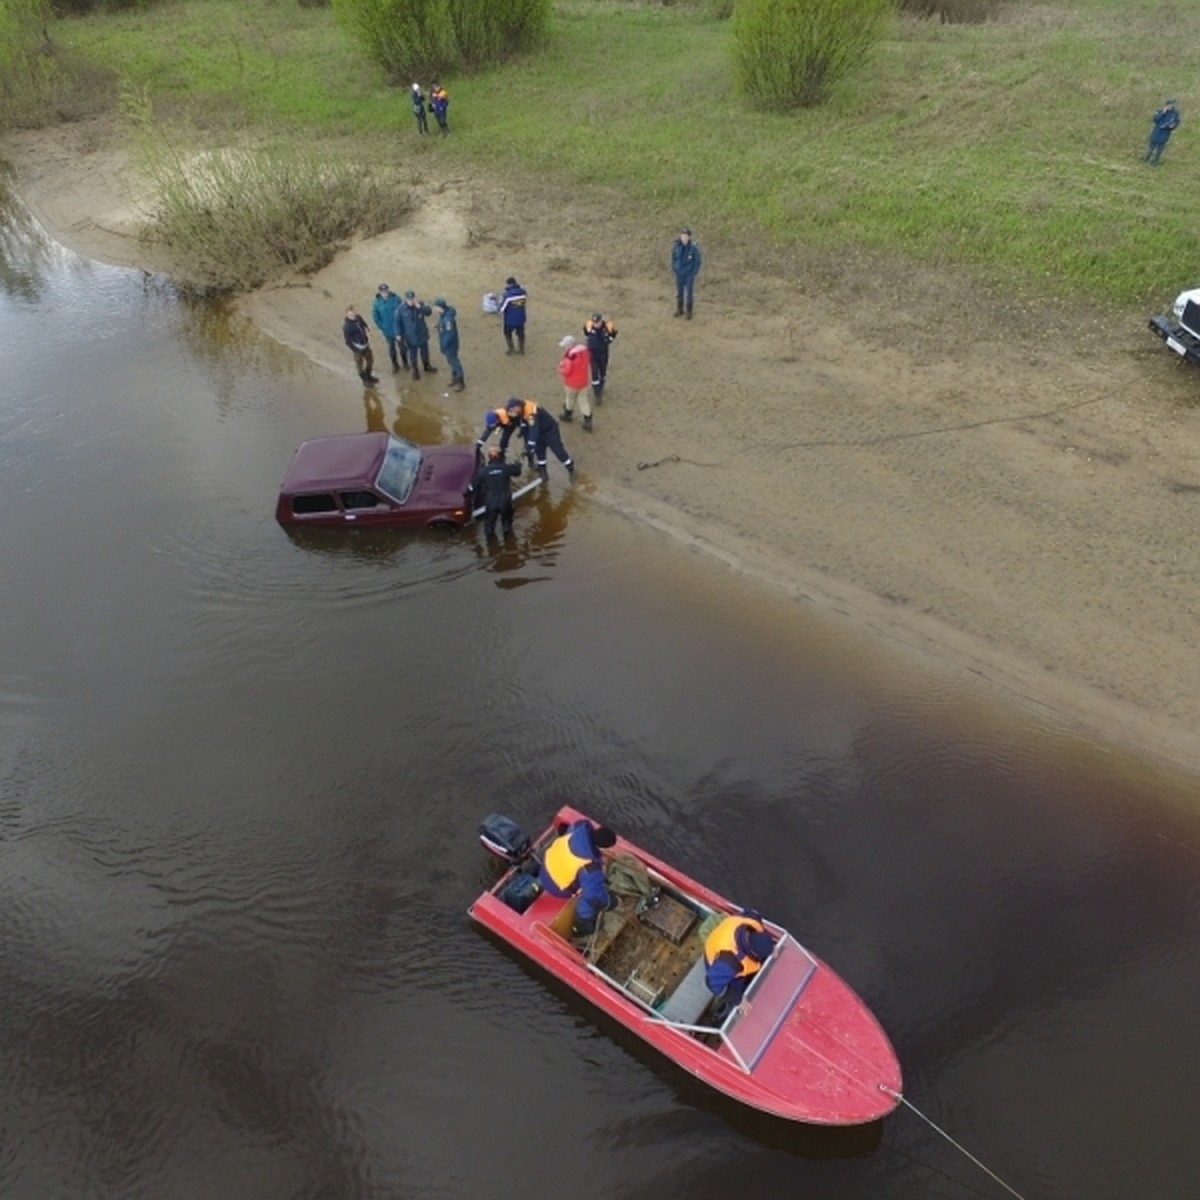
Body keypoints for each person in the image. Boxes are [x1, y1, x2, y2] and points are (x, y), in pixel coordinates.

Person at [538, 819, 618, 937]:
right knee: (587, 898)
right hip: (555, 886)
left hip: (545, 866)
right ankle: (582, 924)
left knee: (590, 883)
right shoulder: (589, 868)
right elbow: (593, 896)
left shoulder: (578, 827)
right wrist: (609, 902)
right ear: (603, 848)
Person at [703, 911, 776, 1012]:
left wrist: (771, 948)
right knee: (736, 985)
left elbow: (751, 913)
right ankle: (728, 1005)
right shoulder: (731, 962)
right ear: (753, 953)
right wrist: (737, 999)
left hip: (726, 932)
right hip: (715, 954)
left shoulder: (752, 922)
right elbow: (711, 983)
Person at [499, 396, 575, 482]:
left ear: (517, 407)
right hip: (539, 433)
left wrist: (530, 445)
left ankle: (570, 468)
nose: (512, 412)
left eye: (512, 409)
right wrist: (523, 432)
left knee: (558, 450)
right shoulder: (520, 411)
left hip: (549, 431)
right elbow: (523, 423)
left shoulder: (531, 412)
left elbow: (533, 428)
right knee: (540, 452)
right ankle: (543, 473)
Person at [467, 446, 522, 539]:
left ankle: (492, 549)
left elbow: (472, 487)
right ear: (500, 456)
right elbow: (517, 472)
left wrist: (466, 494)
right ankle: (509, 547)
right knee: (507, 527)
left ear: (489, 457)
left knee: (489, 529)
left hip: (491, 502)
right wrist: (518, 464)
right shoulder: (505, 468)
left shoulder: (484, 471)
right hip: (505, 501)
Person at [396, 290, 436, 380]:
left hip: (422, 334)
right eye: (409, 299)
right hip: (410, 337)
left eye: (412, 299)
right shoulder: (401, 309)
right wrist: (398, 334)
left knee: (425, 352)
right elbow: (397, 322)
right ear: (406, 299)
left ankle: (427, 365)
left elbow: (429, 312)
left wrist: (419, 307)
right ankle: (415, 370)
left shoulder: (420, 305)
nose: (411, 301)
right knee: (413, 355)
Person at [557, 335, 593, 431]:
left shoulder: (570, 357)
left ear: (569, 345)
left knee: (570, 399)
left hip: (571, 383)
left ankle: (568, 414)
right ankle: (588, 419)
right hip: (583, 381)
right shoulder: (584, 352)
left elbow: (566, 371)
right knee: (583, 401)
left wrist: (560, 367)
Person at [583, 311, 618, 403]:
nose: (596, 324)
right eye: (594, 322)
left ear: (601, 320)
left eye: (597, 322)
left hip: (603, 353)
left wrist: (609, 340)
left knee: (602, 371)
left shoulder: (608, 327)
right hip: (592, 352)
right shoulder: (589, 326)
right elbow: (586, 333)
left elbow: (614, 334)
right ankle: (597, 394)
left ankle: (601, 385)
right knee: (594, 372)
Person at [371, 283, 405, 373]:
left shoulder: (396, 299)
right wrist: (383, 327)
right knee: (391, 348)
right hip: (387, 331)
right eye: (383, 292)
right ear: (380, 292)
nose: (385, 293)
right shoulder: (376, 303)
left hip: (399, 329)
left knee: (402, 347)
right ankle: (395, 364)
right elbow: (375, 317)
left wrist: (402, 325)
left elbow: (403, 311)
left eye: (386, 291)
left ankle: (405, 363)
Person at [433, 297, 464, 391]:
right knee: (451, 362)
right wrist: (438, 326)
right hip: (449, 344)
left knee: (455, 363)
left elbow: (450, 334)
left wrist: (443, 345)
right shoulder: (444, 315)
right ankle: (455, 377)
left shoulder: (447, 319)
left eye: (436, 307)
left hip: (450, 345)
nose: (435, 309)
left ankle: (460, 382)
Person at [342, 305, 378, 385]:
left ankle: (369, 376)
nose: (353, 316)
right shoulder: (347, 327)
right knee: (359, 365)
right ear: (347, 315)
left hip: (365, 344)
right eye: (351, 315)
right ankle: (364, 380)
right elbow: (348, 341)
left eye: (354, 313)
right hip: (357, 348)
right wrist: (355, 349)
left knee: (370, 360)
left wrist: (367, 328)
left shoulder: (358, 318)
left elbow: (364, 324)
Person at [671, 226, 702, 319]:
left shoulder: (693, 248)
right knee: (679, 292)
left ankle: (689, 312)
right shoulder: (676, 246)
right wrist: (675, 268)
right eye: (682, 235)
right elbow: (673, 258)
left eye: (685, 236)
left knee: (689, 293)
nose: (684, 237)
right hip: (679, 273)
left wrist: (694, 272)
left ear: (689, 237)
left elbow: (698, 261)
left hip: (688, 274)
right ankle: (680, 309)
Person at [1146, 98, 1180, 165]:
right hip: (1156, 132)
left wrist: (1173, 126)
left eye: (1172, 104)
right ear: (1166, 105)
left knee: (1160, 149)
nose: (1171, 106)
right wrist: (1163, 113)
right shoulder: (1159, 111)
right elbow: (1155, 119)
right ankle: (1146, 158)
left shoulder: (1175, 113)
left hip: (1165, 133)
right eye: (1170, 104)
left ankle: (1155, 161)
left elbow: (1177, 121)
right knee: (1151, 147)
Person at [499, 276, 528, 355]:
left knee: (507, 333)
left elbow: (502, 309)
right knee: (521, 334)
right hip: (521, 318)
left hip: (509, 320)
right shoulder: (523, 292)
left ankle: (511, 349)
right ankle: (521, 349)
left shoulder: (507, 295)